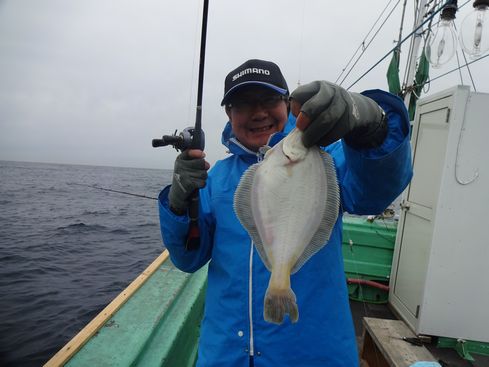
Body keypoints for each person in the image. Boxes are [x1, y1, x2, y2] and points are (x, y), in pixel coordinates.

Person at [158, 59, 413, 367]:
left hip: (313, 354)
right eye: (243, 104)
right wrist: (178, 204)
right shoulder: (214, 180)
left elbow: (375, 190)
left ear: (289, 104)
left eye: (269, 100)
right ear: (229, 114)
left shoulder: (326, 161)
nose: (259, 112)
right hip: (226, 355)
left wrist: (373, 126)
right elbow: (188, 258)